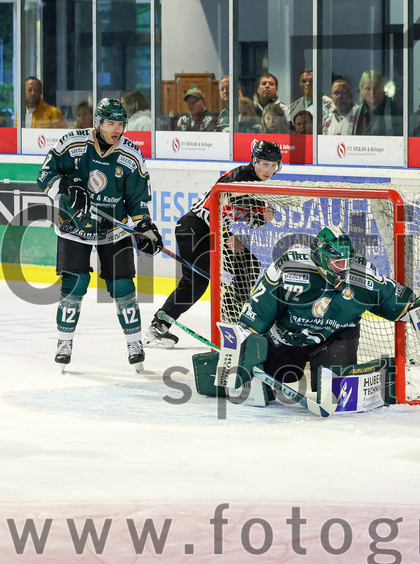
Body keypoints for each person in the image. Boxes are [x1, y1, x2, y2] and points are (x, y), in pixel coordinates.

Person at [235, 226, 420, 396]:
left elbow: (400, 305)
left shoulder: (362, 276)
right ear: (321, 258)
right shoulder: (290, 267)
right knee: (265, 383)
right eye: (337, 263)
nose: (343, 270)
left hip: (335, 338)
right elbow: (257, 312)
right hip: (286, 338)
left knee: (336, 393)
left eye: (346, 263)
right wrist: (244, 352)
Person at [36, 98, 162, 370]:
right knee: (75, 283)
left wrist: (143, 225)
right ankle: (64, 342)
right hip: (74, 225)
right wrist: (67, 184)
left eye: (121, 124)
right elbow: (44, 175)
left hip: (114, 229)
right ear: (97, 122)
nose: (117, 129)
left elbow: (138, 199)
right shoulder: (73, 143)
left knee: (123, 285)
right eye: (111, 123)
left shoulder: (131, 155)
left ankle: (134, 344)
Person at [144, 140, 282, 347]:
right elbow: (208, 210)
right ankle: (158, 326)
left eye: (273, 165)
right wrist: (225, 236)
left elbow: (250, 219)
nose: (269, 170)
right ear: (254, 161)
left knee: (249, 265)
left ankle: (230, 317)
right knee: (196, 282)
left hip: (214, 231)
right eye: (264, 164)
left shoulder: (257, 186)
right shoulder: (240, 178)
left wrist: (263, 216)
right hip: (194, 228)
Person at [345, 70, 402, 136]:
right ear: (361, 91)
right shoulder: (359, 111)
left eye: (376, 88)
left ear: (382, 89)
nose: (372, 92)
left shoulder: (394, 110)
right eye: (368, 88)